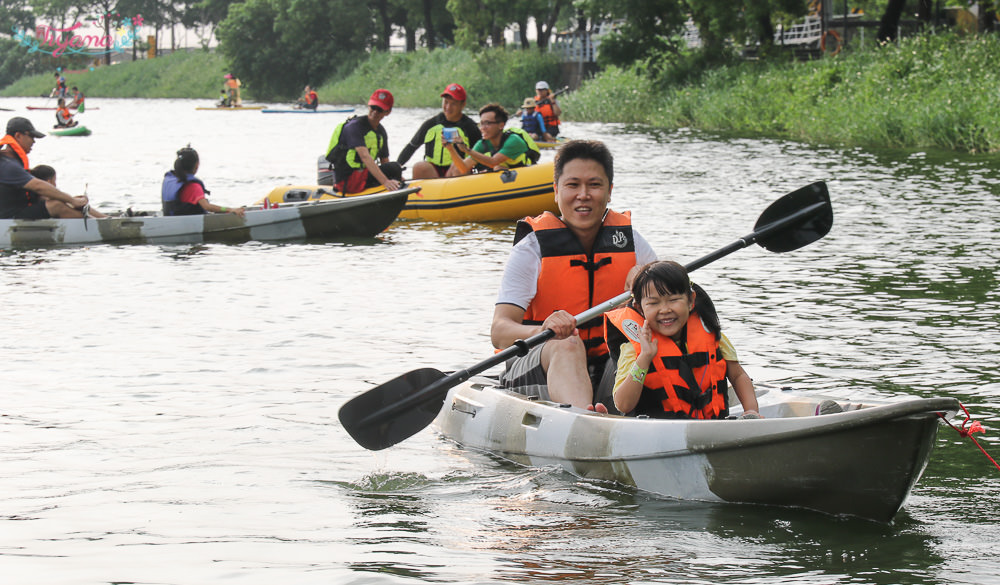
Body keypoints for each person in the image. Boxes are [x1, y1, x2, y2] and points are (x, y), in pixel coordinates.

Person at [491, 139, 658, 412]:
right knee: (567, 343)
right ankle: (586, 420)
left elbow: (675, 300)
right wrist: (543, 331)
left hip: (607, 365)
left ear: (609, 191)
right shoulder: (531, 249)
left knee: (649, 341)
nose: (584, 194)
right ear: (556, 191)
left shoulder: (631, 242)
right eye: (573, 185)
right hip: (538, 367)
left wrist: (645, 276)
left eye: (594, 185)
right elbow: (499, 332)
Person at [604, 261, 761, 419]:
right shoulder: (633, 348)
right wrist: (644, 358)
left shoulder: (713, 337)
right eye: (653, 303)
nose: (665, 310)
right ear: (640, 308)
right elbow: (623, 404)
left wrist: (751, 410)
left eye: (673, 300)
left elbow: (738, 376)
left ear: (691, 300)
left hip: (713, 428)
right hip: (658, 434)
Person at [0, 117, 100, 219]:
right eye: (32, 137)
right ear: (18, 136)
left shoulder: (11, 161)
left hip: (20, 210)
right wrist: (72, 201)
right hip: (9, 218)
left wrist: (69, 200)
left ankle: (107, 219)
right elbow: (38, 186)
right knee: (57, 205)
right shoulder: (7, 165)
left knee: (65, 201)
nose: (34, 142)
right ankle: (103, 227)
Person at [395, 83, 481, 179]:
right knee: (419, 167)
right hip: (434, 171)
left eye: (453, 104)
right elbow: (411, 147)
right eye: (446, 102)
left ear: (463, 105)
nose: (448, 107)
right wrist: (397, 167)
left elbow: (480, 154)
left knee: (457, 167)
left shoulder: (471, 127)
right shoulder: (430, 124)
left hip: (457, 171)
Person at [324, 89, 402, 194]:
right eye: (373, 107)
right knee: (394, 168)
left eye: (379, 109)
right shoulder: (354, 127)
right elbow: (364, 156)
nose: (374, 112)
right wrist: (386, 181)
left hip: (363, 175)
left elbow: (384, 160)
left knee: (394, 168)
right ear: (368, 106)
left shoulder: (381, 132)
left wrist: (400, 179)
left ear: (387, 112)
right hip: (347, 180)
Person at [446, 103, 540, 176]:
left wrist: (467, 149)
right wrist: (451, 148)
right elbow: (463, 168)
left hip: (525, 174)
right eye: (481, 123)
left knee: (497, 167)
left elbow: (493, 161)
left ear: (501, 125)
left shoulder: (514, 140)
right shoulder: (482, 144)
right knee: (454, 167)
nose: (483, 128)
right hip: (504, 173)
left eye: (487, 123)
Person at [161, 145, 246, 217]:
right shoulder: (193, 186)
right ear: (197, 165)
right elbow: (207, 207)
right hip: (187, 223)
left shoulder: (170, 179)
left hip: (171, 217)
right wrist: (230, 209)